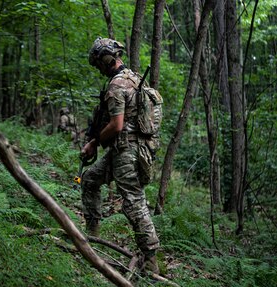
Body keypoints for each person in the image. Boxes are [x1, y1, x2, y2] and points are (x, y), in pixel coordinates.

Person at [80, 37, 160, 274]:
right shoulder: (134, 80)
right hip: (123, 150)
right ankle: (92, 238)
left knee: (133, 202)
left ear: (106, 60)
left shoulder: (117, 85)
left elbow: (116, 125)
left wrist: (94, 142)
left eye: (98, 64)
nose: (99, 69)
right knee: (90, 179)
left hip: (128, 153)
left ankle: (151, 262)